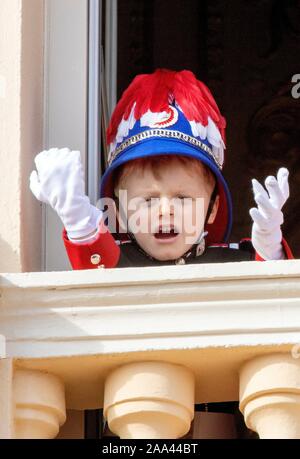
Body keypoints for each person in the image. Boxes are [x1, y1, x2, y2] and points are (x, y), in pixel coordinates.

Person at [29, 69, 293, 438]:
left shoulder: (231, 261)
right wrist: (77, 217)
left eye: (182, 198)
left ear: (212, 209)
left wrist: (269, 248)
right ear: (118, 211)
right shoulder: (120, 259)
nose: (165, 210)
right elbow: (97, 261)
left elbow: (275, 300)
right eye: (147, 200)